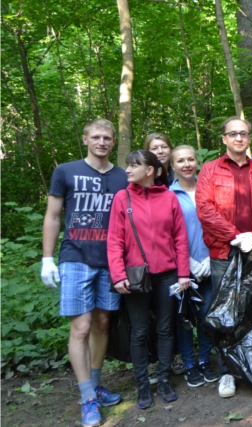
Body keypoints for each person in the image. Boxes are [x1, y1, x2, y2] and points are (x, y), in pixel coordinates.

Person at [41, 118, 127, 427]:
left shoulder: (122, 176)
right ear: (85, 139)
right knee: (80, 327)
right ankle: (86, 397)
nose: (102, 142)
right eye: (96, 137)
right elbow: (53, 216)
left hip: (110, 260)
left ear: (113, 141)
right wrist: (47, 258)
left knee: (103, 323)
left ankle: (95, 384)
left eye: (107, 137)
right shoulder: (66, 171)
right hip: (75, 256)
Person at [196, 116, 252, 398]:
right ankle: (227, 372)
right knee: (225, 313)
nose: (239, 138)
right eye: (233, 134)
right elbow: (205, 209)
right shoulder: (209, 170)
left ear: (250, 137)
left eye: (243, 133)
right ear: (224, 139)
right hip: (223, 253)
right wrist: (234, 235)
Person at [107, 150, 191, 409]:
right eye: (127, 165)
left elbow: (180, 238)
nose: (128, 170)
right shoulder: (123, 198)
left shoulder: (169, 198)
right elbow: (114, 240)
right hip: (136, 276)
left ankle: (164, 378)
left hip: (167, 275)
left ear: (150, 170)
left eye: (134, 166)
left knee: (166, 328)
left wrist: (184, 273)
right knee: (140, 330)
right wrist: (119, 275)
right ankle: (143, 383)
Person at [168, 145, 220, 388]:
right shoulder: (169, 195)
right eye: (181, 161)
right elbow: (167, 234)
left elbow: (219, 223)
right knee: (186, 318)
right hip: (182, 268)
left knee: (207, 315)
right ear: (172, 165)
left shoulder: (208, 188)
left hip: (211, 262)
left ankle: (204, 360)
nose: (187, 164)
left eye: (191, 159)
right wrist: (187, 263)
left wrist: (211, 258)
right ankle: (189, 365)